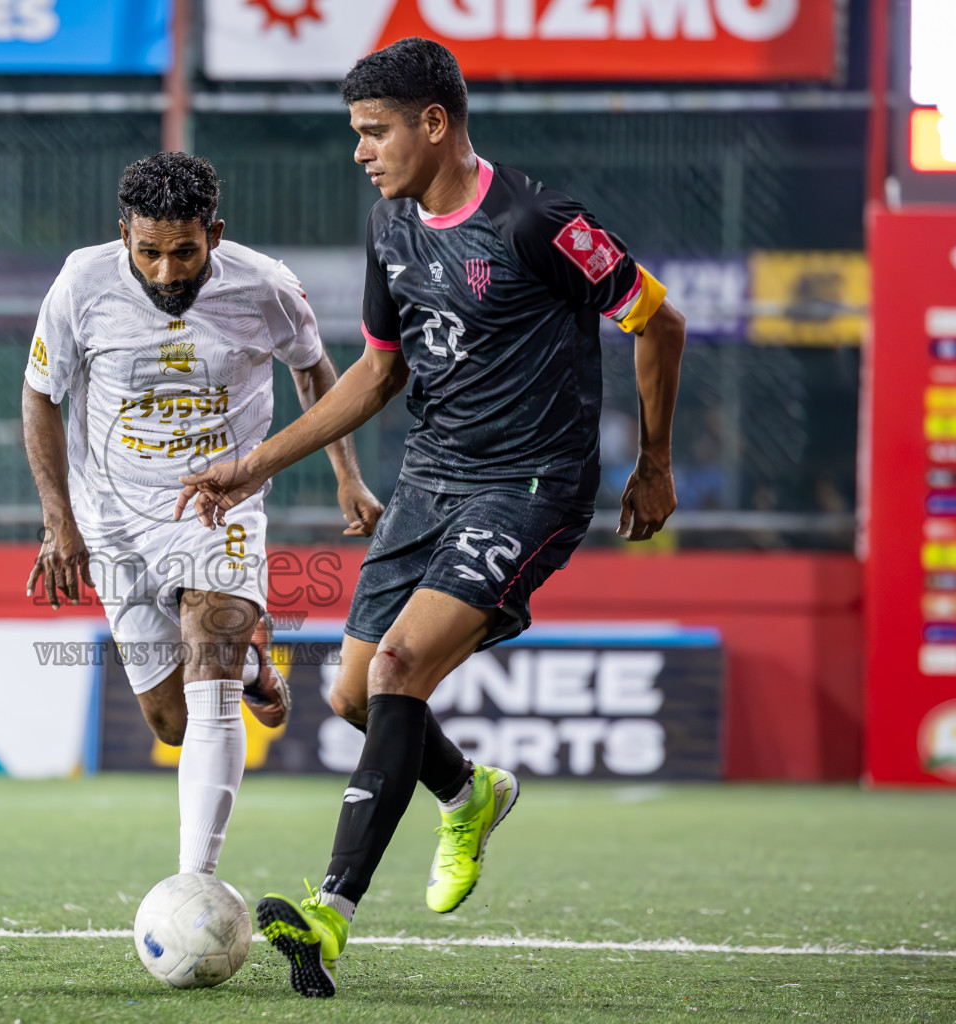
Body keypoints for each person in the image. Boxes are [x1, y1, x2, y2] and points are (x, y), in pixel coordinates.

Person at [176, 38, 686, 997]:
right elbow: (379, 369)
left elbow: (658, 319)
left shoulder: (537, 220)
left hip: (531, 483)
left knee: (403, 666)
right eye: (357, 134)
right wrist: (253, 466)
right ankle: (470, 792)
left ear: (434, 123)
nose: (362, 152)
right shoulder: (389, 225)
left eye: (374, 133)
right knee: (354, 695)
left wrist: (654, 462)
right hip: (430, 479)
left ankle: (329, 915)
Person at [22, 152, 384, 881]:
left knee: (207, 673)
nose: (165, 272)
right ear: (121, 233)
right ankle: (254, 666)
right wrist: (59, 520)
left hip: (221, 506)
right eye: (148, 251)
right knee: (172, 723)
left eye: (183, 251)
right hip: (115, 518)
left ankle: (195, 883)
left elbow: (315, 369)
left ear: (213, 234)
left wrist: (347, 475)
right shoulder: (80, 285)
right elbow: (40, 394)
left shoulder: (267, 286)